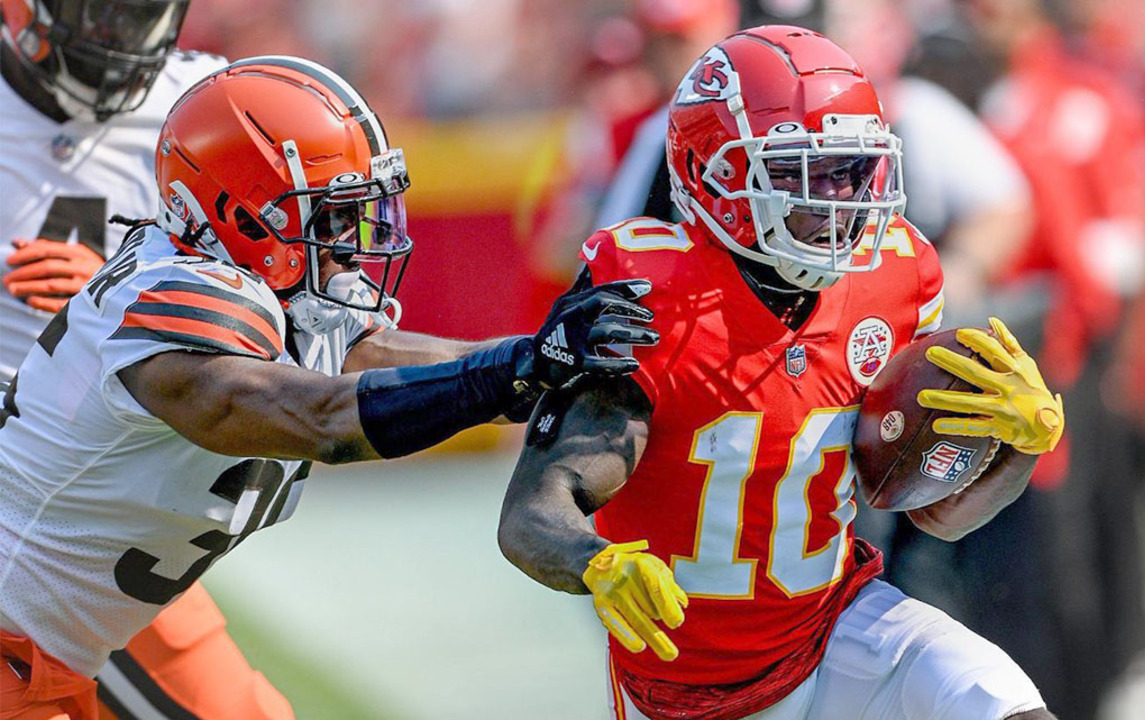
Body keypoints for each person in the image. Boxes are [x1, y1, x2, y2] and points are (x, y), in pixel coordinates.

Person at [0, 55, 657, 720]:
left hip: (53, 654)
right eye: (328, 217)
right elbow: (322, 419)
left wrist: (538, 366)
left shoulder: (244, 284)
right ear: (241, 216)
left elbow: (367, 353)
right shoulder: (179, 305)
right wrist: (513, 369)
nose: (350, 243)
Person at [498, 26, 1062, 720]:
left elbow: (936, 517)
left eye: (850, 170)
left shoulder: (894, 275)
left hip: (841, 627)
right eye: (804, 172)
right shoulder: (653, 300)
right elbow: (532, 511)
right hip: (688, 692)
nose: (839, 200)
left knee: (1000, 702)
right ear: (718, 175)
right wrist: (593, 560)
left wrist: (1018, 452)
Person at [0, 2, 295, 718]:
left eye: (140, 15)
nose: (119, 40)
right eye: (99, 14)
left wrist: (116, 293)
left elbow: (286, 288)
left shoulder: (211, 106)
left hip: (105, 494)